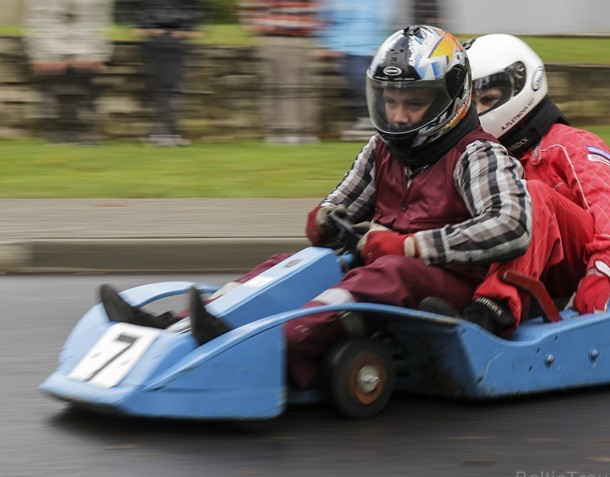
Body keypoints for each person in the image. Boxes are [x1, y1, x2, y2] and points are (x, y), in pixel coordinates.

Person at [100, 25, 534, 388]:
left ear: (449, 97)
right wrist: (325, 219)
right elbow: (342, 203)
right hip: (382, 267)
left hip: (450, 284)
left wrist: (413, 247)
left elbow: (512, 225)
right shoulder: (382, 148)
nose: (399, 116)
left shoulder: (478, 155)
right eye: (392, 102)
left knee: (389, 272)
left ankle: (267, 351)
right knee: (295, 263)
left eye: (413, 103)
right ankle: (179, 327)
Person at [423, 34, 610, 331]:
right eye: (470, 103)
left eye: (486, 100)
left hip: (591, 266)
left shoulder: (572, 143)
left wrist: (601, 268)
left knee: (527, 197)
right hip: (523, 267)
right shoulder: (477, 158)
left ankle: (493, 307)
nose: (475, 112)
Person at [23, 0, 115, 144]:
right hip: (52, 51)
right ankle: (66, 131)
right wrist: (41, 56)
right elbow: (39, 20)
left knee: (79, 88)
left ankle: (77, 130)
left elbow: (99, 21)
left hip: (85, 51)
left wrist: (98, 54)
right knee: (63, 88)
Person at [238, 0, 323, 144]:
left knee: (302, 89)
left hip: (301, 40)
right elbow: (250, 10)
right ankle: (284, 131)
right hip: (275, 38)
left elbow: (316, 9)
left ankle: (301, 130)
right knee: (280, 88)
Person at [315, 0, 395, 141]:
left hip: (367, 47)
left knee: (363, 73)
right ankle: (367, 118)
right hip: (347, 48)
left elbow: (382, 19)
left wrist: (379, 46)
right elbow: (327, 19)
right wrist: (329, 44)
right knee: (357, 71)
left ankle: (369, 119)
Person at [127, 0, 203, 147]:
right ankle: (163, 133)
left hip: (167, 42)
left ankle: (167, 132)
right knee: (167, 89)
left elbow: (140, 14)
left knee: (168, 89)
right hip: (166, 42)